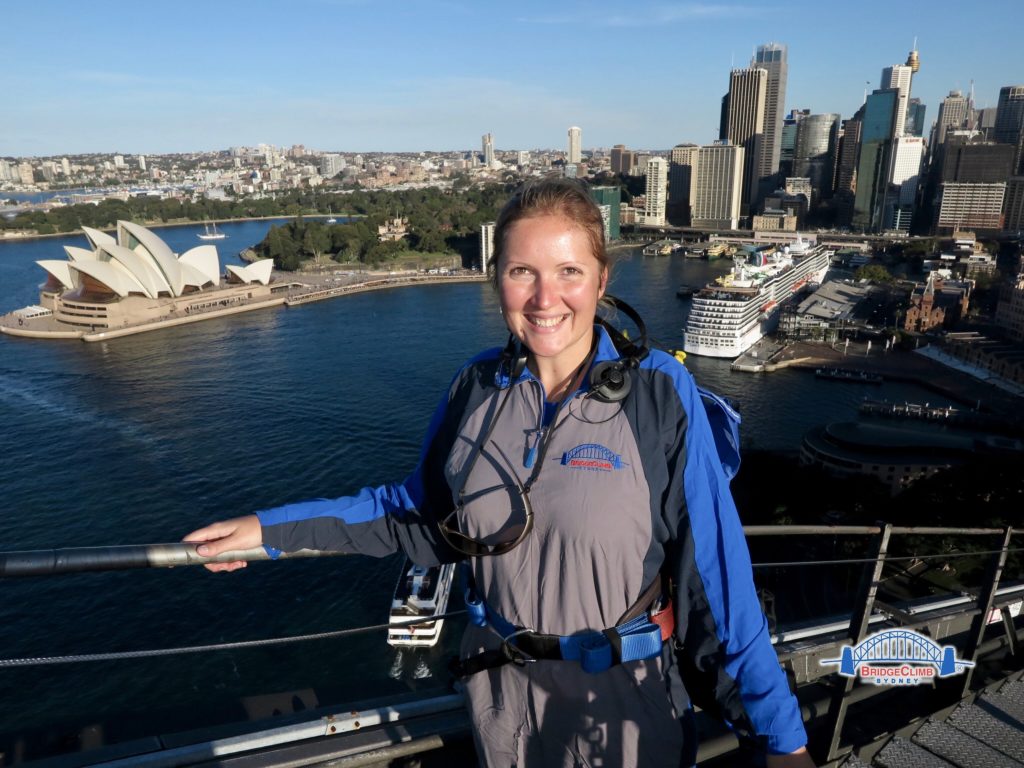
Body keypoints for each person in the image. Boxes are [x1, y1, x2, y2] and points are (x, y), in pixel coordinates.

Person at [185, 178, 815, 768]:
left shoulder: (659, 395)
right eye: (522, 273)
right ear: (497, 281)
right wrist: (266, 529)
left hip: (625, 714)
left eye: (569, 271)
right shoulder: (475, 388)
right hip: (501, 709)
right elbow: (413, 515)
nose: (545, 298)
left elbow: (721, 587)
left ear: (601, 280)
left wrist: (784, 743)